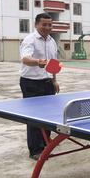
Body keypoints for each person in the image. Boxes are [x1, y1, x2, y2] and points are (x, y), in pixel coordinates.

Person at [19, 13, 60, 161]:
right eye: (44, 24)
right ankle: (35, 150)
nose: (47, 27)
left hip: (47, 82)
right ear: (36, 24)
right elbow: (25, 59)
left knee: (48, 117)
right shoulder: (29, 40)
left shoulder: (51, 41)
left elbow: (53, 62)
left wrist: (54, 80)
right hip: (31, 83)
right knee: (34, 118)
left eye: (50, 25)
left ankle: (45, 147)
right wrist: (38, 62)